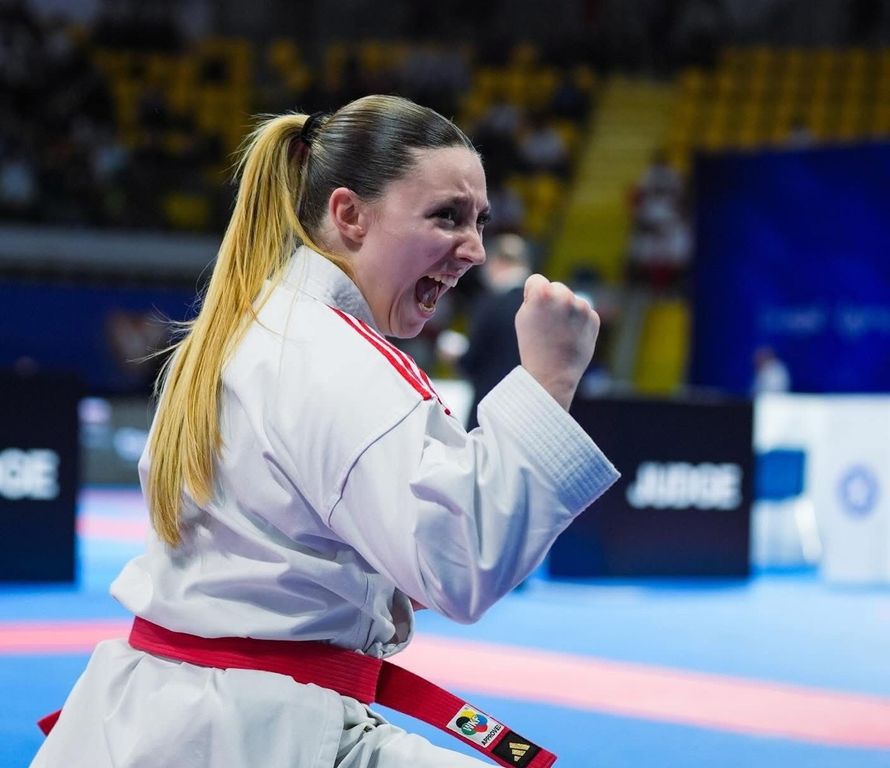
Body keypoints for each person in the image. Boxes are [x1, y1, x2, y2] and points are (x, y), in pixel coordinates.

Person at [31, 95, 619, 768]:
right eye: (447, 216)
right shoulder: (332, 357)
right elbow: (464, 564)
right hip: (255, 732)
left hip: (175, 715)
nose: (475, 250)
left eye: (480, 221)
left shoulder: (256, 325)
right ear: (350, 215)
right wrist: (549, 380)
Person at [454, 233, 532, 430]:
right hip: (528, 413)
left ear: (498, 262)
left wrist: (455, 356)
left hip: (488, 409)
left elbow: (471, 361)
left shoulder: (489, 304)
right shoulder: (542, 306)